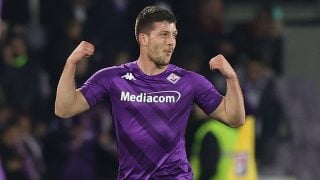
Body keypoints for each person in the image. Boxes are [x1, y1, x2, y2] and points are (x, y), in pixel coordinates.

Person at [55, 6, 245, 179]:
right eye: (163, 35)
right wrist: (71, 63)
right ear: (143, 39)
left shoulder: (189, 81)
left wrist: (232, 78)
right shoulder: (114, 78)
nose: (171, 42)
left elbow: (234, 118)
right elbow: (64, 109)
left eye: (174, 35)